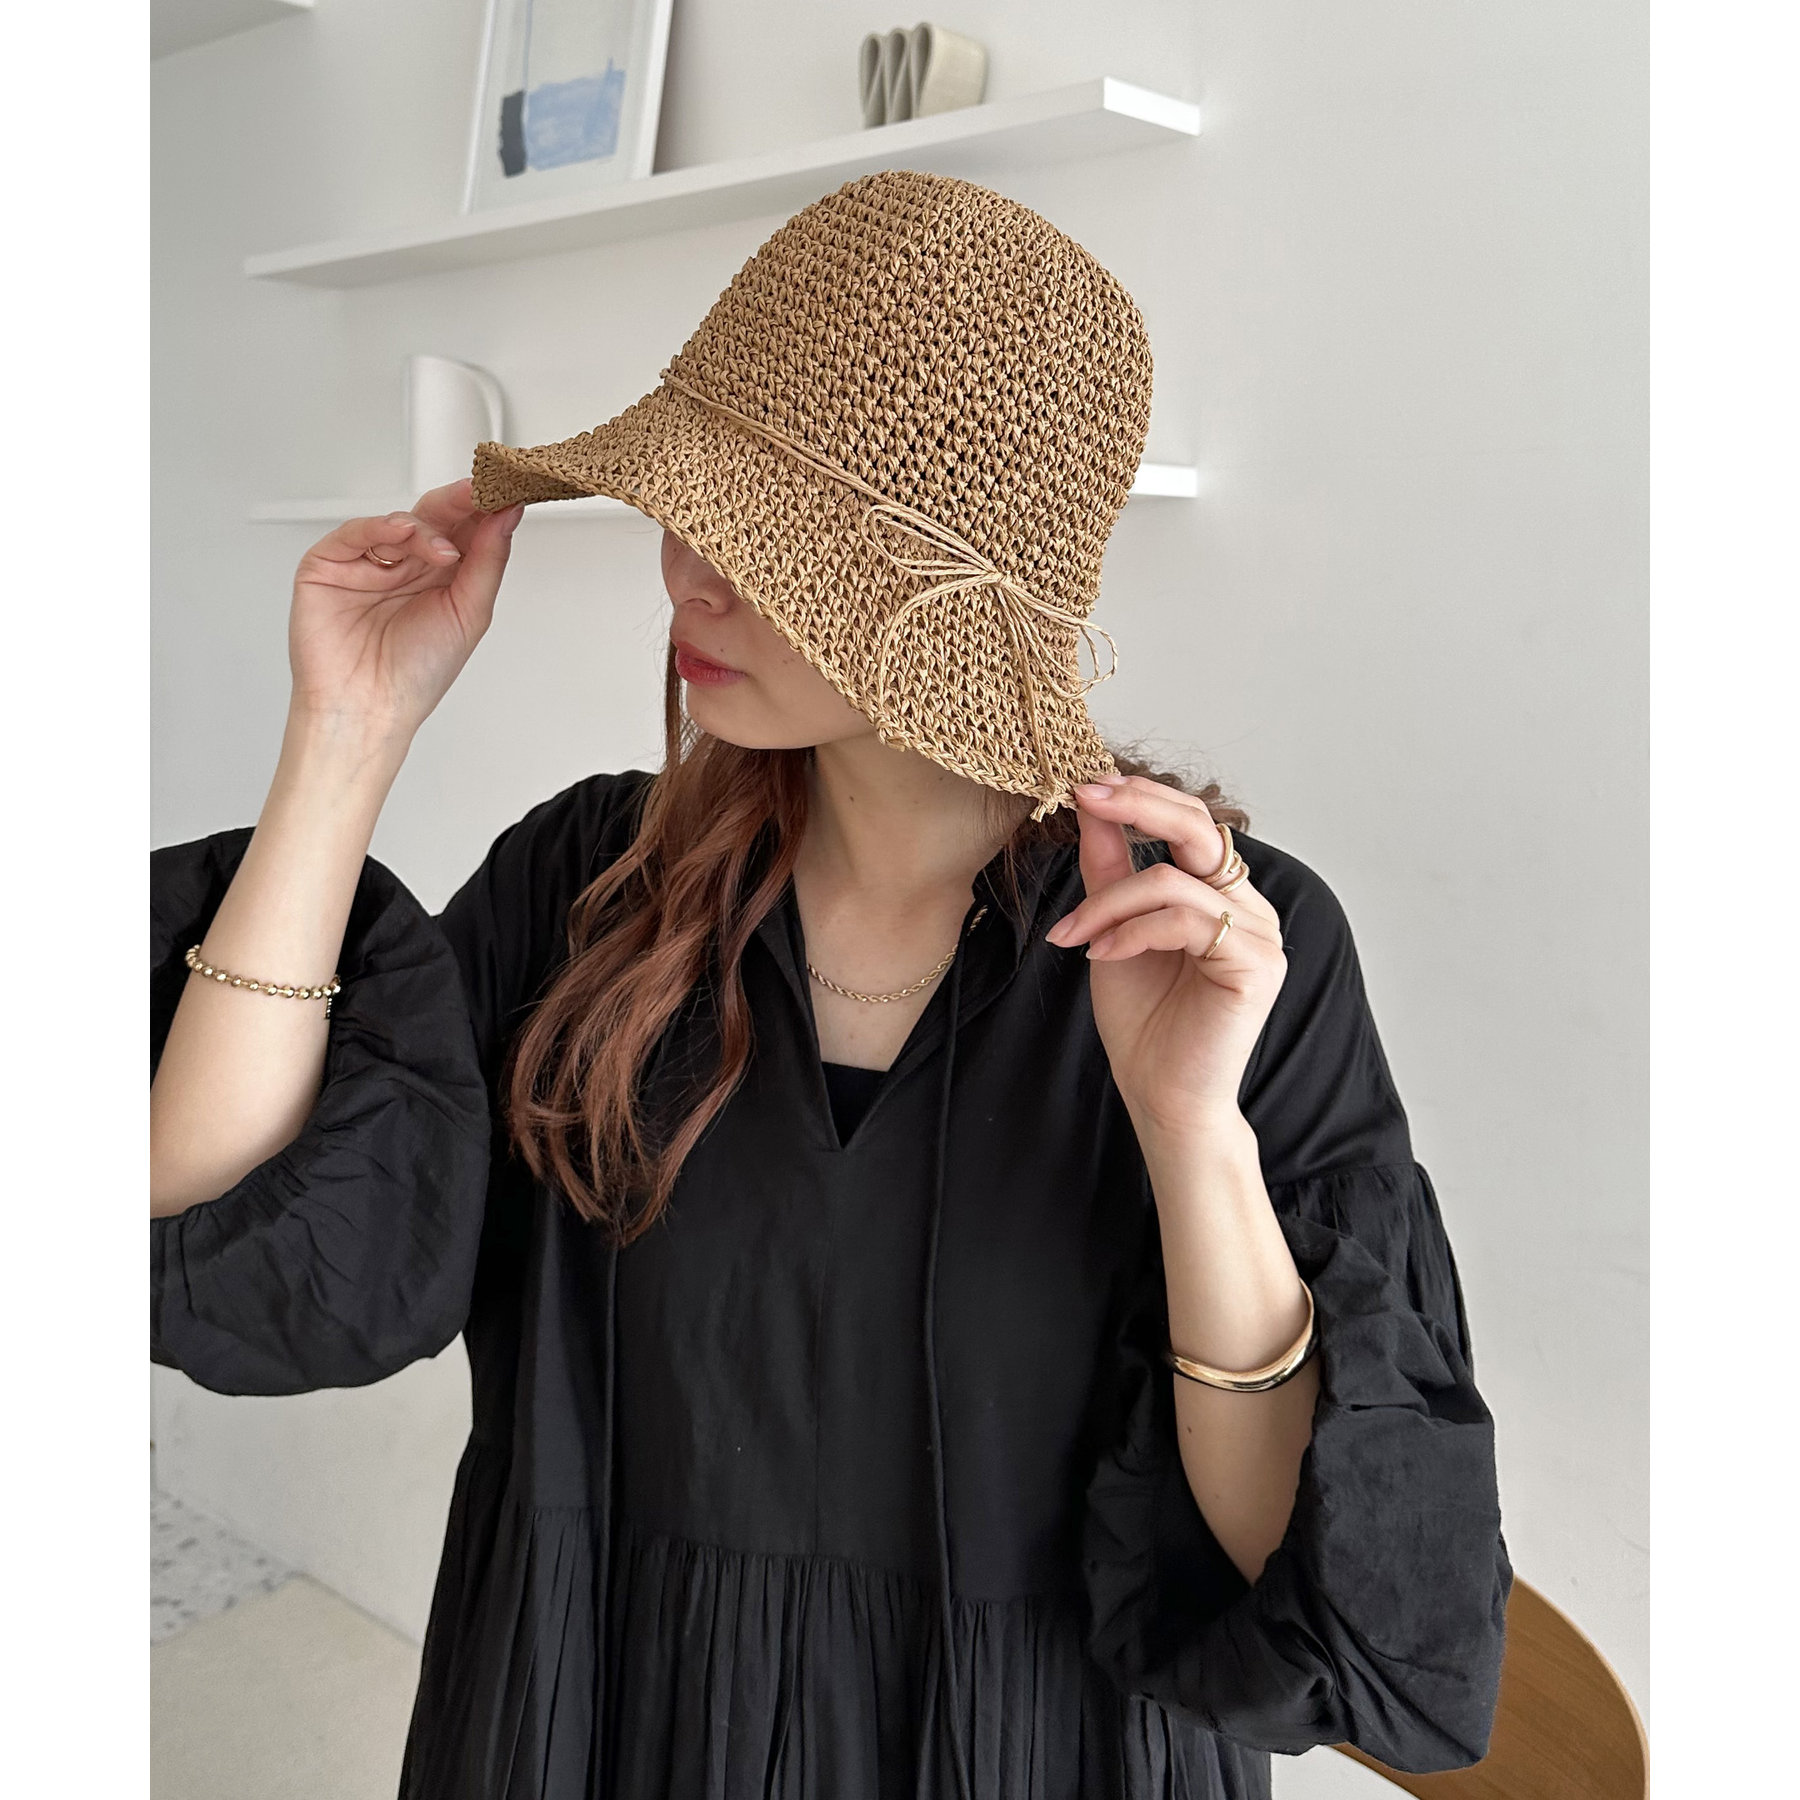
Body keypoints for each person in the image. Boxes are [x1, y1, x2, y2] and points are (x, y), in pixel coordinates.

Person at [150, 171, 1510, 1800]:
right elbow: (228, 1233)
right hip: (600, 1728)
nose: (690, 578)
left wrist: (1190, 1128)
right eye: (690, 507)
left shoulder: (1220, 950)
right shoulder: (592, 888)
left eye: (770, 539)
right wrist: (346, 735)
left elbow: (1311, 1587)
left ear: (948, 602)